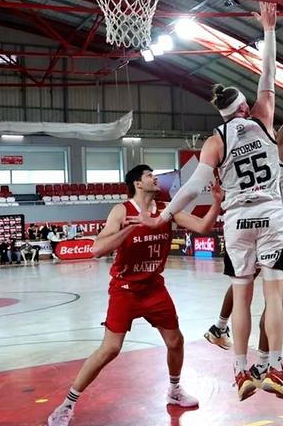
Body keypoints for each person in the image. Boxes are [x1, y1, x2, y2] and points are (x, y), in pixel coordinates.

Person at [144, 3, 283, 402]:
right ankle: (275, 367)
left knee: (241, 298)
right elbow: (268, 76)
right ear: (244, 107)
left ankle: (240, 370)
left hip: (238, 221)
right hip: (270, 215)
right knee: (273, 295)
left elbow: (192, 187)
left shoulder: (215, 140)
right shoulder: (262, 116)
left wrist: (166, 214)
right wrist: (269, 31)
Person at [47, 165, 223, 426]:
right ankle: (68, 404)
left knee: (176, 342)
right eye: (150, 175)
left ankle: (174, 390)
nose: (155, 178)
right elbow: (97, 249)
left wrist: (217, 202)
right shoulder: (121, 210)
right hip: (125, 290)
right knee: (110, 349)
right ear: (137, 184)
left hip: (154, 287)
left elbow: (203, 227)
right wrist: (130, 228)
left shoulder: (167, 208)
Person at [203, 32, 283, 388]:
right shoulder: (279, 141)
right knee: (274, 295)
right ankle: (268, 365)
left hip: (247, 219)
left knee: (243, 282)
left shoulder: (238, 141)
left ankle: (224, 332)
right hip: (273, 223)